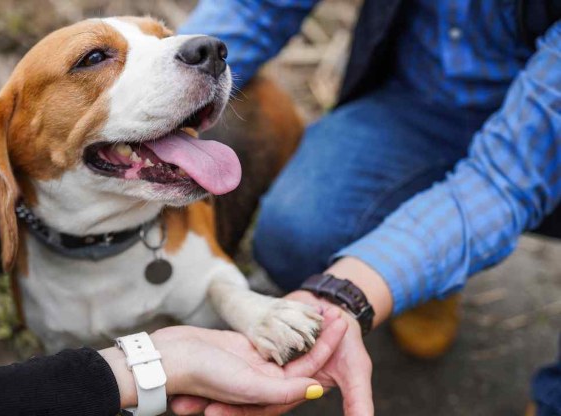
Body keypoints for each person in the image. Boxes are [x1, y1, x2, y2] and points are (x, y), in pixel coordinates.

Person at [0, 37, 353, 415]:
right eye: (95, 59)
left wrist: (243, 306)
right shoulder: (9, 200)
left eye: (157, 40)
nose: (204, 50)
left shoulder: (179, 190)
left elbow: (215, 281)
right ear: (12, 136)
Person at [173, 0, 561, 415]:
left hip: (544, 145)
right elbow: (258, 8)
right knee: (297, 232)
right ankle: (426, 275)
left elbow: (503, 181)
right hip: (415, 107)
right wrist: (167, 84)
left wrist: (346, 293)